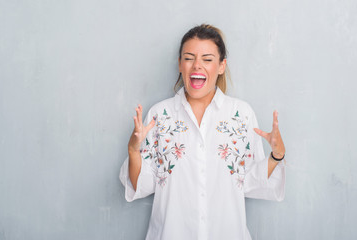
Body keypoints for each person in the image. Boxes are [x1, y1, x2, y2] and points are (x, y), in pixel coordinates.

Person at [119, 24, 286, 240]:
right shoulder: (160, 115)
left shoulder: (241, 114)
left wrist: (277, 155)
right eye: (189, 58)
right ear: (180, 64)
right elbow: (142, 184)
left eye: (207, 59)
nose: (197, 65)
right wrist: (133, 151)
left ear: (221, 66)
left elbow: (250, 182)